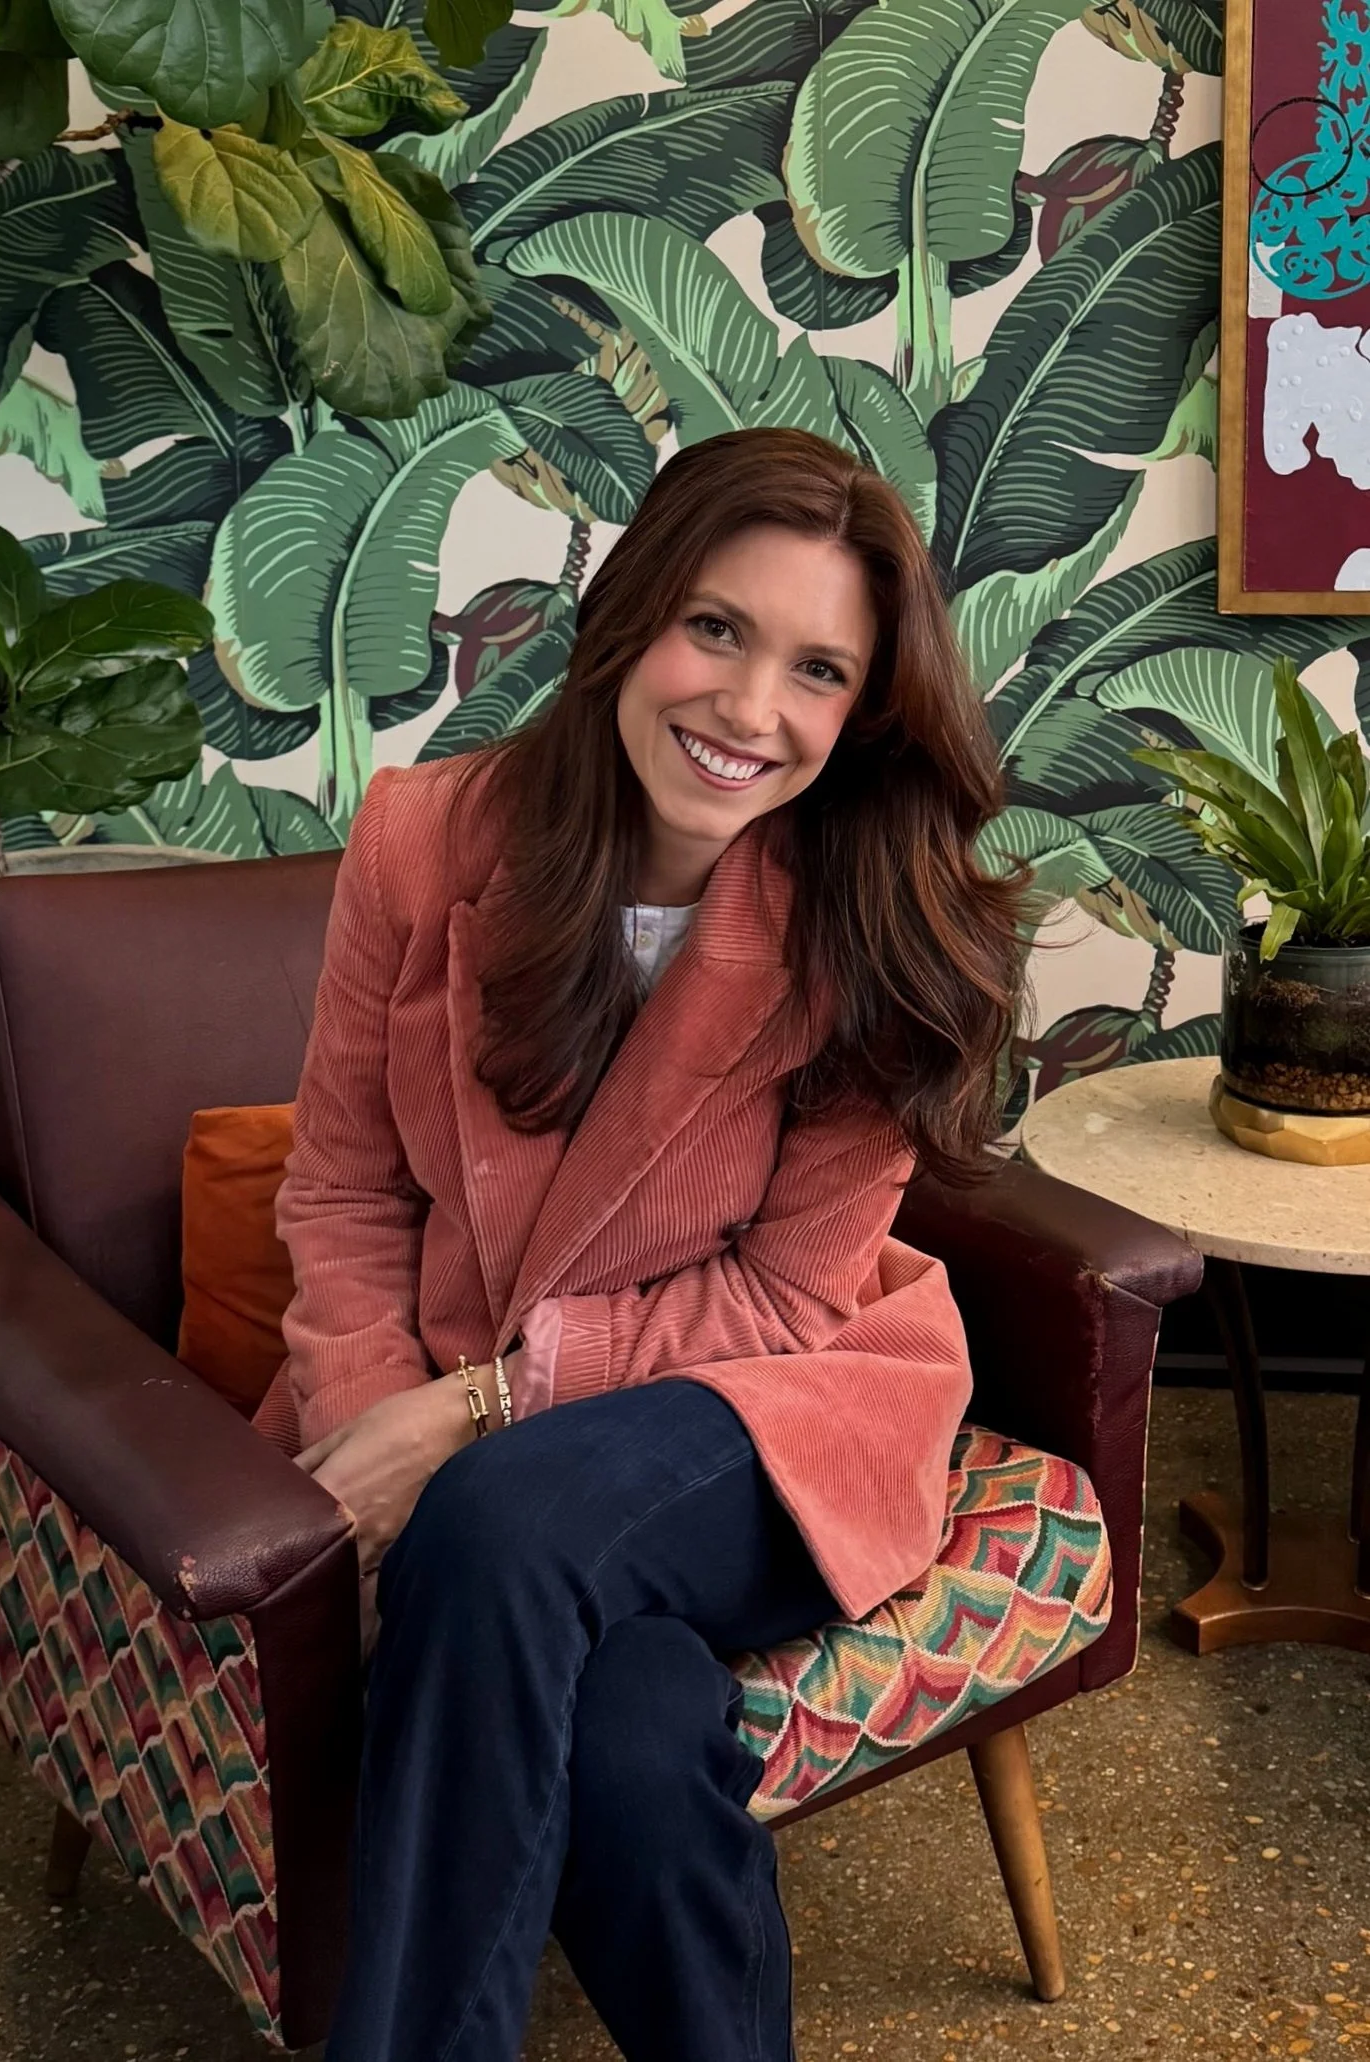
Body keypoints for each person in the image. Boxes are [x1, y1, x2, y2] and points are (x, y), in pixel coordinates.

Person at [253, 425, 1025, 2062]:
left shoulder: (875, 923)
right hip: (470, 1439)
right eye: (716, 628)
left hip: (770, 1408)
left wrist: (479, 1413)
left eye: (818, 670)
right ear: (630, 615)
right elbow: (343, 1190)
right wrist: (375, 1430)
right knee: (630, 1725)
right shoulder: (423, 840)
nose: (749, 708)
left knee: (500, 1520)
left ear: (864, 710)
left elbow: (785, 1293)